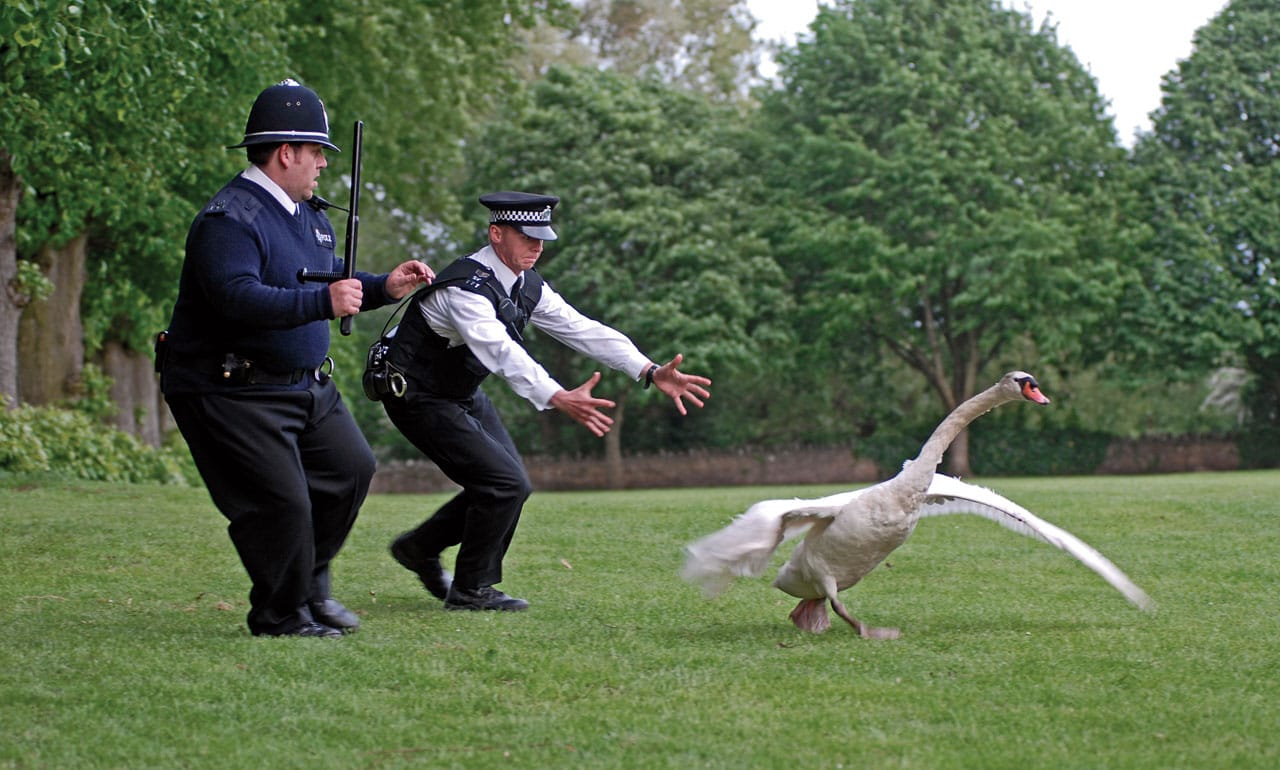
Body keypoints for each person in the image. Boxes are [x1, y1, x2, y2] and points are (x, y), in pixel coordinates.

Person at [158, 79, 433, 637]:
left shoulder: (309, 215)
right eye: (316, 153)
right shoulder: (228, 220)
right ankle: (280, 615)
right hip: (229, 387)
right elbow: (236, 298)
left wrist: (385, 287)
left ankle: (308, 588)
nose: (323, 166)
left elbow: (326, 283)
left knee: (350, 470)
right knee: (281, 504)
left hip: (303, 384)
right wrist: (322, 301)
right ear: (286, 153)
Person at [381, 191, 712, 611]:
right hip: (416, 395)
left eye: (542, 237)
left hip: (458, 393)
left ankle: (419, 548)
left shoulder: (524, 284)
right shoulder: (466, 290)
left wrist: (647, 369)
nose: (538, 246)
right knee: (504, 483)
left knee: (509, 485)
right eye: (527, 236)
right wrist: (555, 394)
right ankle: (470, 590)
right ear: (496, 234)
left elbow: (581, 329)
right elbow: (501, 352)